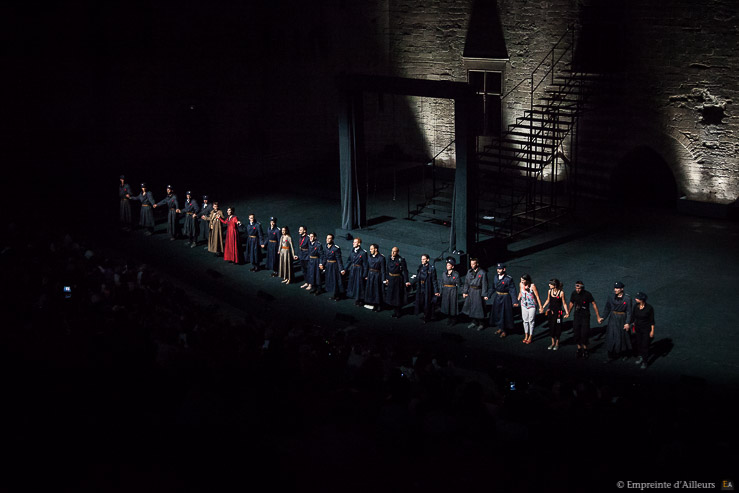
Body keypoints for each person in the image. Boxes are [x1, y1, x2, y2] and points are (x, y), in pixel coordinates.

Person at [598, 281, 633, 361]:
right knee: (611, 336)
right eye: (615, 288)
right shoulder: (611, 296)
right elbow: (607, 308)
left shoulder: (627, 298)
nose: (615, 289)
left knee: (623, 337)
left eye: (617, 288)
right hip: (613, 318)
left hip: (622, 319)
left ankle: (624, 354)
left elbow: (629, 312)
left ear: (622, 289)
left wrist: (627, 323)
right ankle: (610, 355)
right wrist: (603, 317)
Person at [567, 281, 601, 358]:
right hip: (577, 316)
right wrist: (568, 312)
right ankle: (579, 349)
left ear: (582, 288)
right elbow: (571, 303)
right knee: (576, 332)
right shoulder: (574, 293)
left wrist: (598, 316)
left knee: (584, 333)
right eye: (576, 288)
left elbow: (594, 304)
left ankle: (585, 350)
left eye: (579, 288)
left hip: (585, 316)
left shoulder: (587, 294)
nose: (577, 290)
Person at [487, 262, 518, 338]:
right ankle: (500, 328)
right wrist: (488, 295)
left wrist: (515, 301)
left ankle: (505, 330)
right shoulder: (495, 277)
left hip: (505, 298)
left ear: (504, 269)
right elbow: (493, 287)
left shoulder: (508, 279)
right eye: (497, 269)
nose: (498, 270)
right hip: (498, 297)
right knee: (497, 313)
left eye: (500, 269)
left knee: (504, 314)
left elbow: (512, 290)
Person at [408, 254, 439, 323]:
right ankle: (425, 315)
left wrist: (436, 291)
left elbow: (434, 281)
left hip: (427, 288)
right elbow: (417, 277)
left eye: (424, 259)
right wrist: (411, 283)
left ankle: (427, 317)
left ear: (427, 260)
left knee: (427, 303)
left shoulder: (431, 269)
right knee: (421, 302)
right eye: (422, 259)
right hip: (421, 287)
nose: (422, 260)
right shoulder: (420, 267)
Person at [540, 278, 569, 351]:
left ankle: (557, 343)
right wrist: (542, 307)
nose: (549, 285)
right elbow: (548, 300)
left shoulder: (561, 293)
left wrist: (567, 312)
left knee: (558, 327)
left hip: (558, 313)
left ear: (555, 285)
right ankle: (552, 343)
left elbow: (564, 303)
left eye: (551, 284)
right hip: (551, 312)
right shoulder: (549, 291)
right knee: (551, 327)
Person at [630, 292, 655, 369]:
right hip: (638, 328)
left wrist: (652, 331)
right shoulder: (636, 306)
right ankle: (641, 357)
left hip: (646, 329)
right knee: (639, 344)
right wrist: (628, 323)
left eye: (637, 298)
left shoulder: (649, 308)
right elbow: (633, 317)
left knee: (645, 345)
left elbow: (652, 320)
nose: (635, 299)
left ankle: (645, 361)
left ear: (641, 300)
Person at [461, 258, 487, 331]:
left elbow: (484, 284)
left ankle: (481, 323)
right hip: (471, 291)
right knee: (471, 306)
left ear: (477, 264)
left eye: (473, 264)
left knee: (479, 307)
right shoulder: (469, 272)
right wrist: (465, 292)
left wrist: (484, 294)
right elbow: (466, 283)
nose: (472, 265)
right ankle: (474, 321)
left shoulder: (482, 273)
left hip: (478, 291)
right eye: (471, 264)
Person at [384, 246, 409, 318]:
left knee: (397, 296)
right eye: (392, 251)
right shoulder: (389, 258)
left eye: (394, 251)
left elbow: (405, 271)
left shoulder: (401, 260)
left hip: (397, 280)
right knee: (391, 295)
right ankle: (395, 310)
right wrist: (387, 278)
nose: (392, 252)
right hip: (391, 278)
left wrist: (406, 281)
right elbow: (387, 269)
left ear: (397, 252)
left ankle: (398, 312)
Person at [518, 274, 543, 344]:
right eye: (521, 280)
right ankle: (526, 335)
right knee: (525, 320)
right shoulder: (521, 284)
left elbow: (537, 297)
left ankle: (530, 336)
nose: (522, 282)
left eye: (523, 280)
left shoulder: (532, 286)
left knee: (531, 321)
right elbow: (520, 292)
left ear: (527, 280)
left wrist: (541, 307)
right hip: (523, 305)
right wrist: (517, 299)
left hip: (531, 305)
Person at [320, 234, 345, 300]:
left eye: (329, 238)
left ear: (332, 240)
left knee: (335, 280)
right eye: (327, 238)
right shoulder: (325, 246)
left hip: (334, 266)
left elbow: (339, 260)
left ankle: (338, 295)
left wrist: (341, 269)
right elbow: (325, 257)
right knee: (330, 280)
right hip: (328, 266)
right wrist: (322, 264)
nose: (327, 240)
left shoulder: (336, 248)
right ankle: (334, 294)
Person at [346, 237, 368, 306]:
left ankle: (360, 299)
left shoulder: (363, 253)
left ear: (359, 243)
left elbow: (365, 264)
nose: (353, 243)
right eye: (353, 242)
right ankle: (355, 297)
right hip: (353, 269)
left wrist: (365, 274)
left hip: (359, 270)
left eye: (355, 242)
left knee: (359, 284)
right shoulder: (352, 251)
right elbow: (349, 260)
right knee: (353, 283)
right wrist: (344, 269)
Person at [439, 258, 461, 325]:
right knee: (447, 304)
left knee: (452, 305)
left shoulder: (456, 274)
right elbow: (441, 283)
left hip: (452, 291)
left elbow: (459, 284)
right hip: (446, 290)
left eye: (449, 265)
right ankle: (449, 318)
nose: (447, 266)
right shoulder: (444, 274)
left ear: (452, 266)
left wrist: (462, 292)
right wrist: (440, 292)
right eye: (447, 264)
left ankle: (453, 319)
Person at [364, 244, 386, 311]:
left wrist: (383, 279)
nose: (370, 250)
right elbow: (367, 267)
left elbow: (383, 270)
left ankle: (378, 305)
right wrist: (366, 275)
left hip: (377, 276)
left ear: (375, 249)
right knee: (370, 289)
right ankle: (372, 303)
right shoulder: (369, 257)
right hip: (370, 275)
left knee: (377, 290)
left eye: (371, 249)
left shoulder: (381, 258)